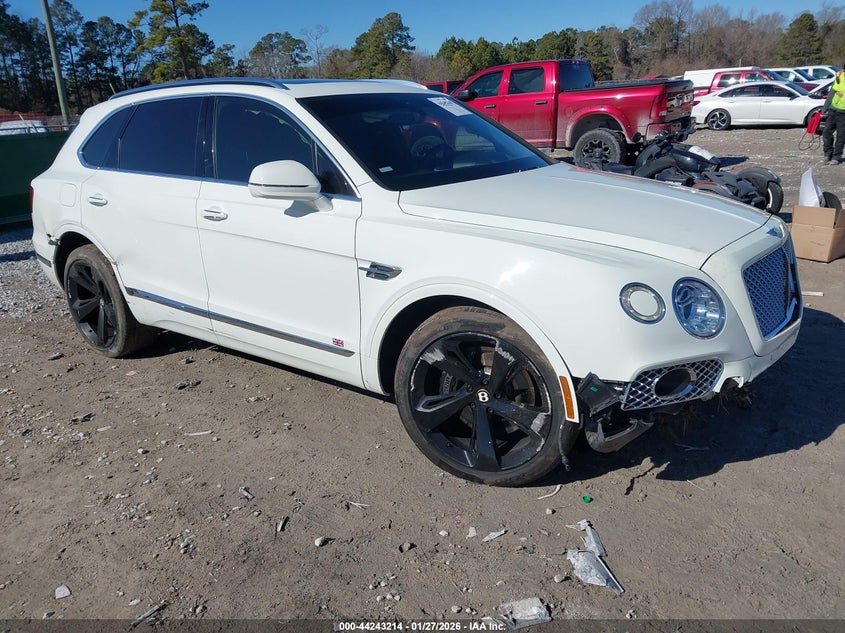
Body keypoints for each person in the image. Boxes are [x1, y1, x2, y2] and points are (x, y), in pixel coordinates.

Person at [822, 64, 845, 165]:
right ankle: (828, 154)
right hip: (833, 109)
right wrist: (825, 108)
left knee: (841, 136)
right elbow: (832, 92)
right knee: (826, 132)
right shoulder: (839, 75)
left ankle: (836, 157)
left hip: (843, 113)